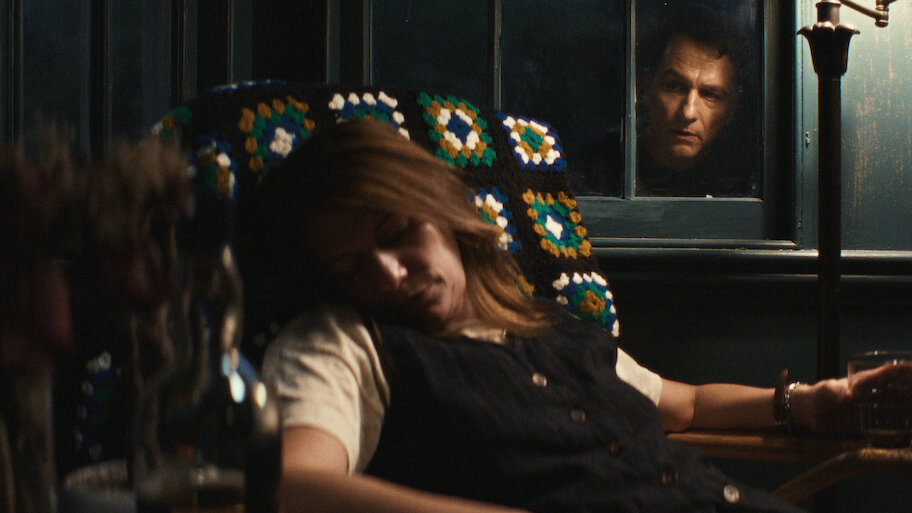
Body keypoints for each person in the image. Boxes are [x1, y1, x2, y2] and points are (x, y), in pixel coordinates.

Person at [250, 119, 853, 513]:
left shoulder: (549, 325)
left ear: (443, 210)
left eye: (397, 232)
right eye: (352, 266)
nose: (387, 274)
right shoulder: (345, 341)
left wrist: (808, 403)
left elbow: (686, 404)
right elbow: (291, 485)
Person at [636, 7, 755, 197]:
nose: (688, 112)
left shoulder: (744, 184)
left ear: (733, 107)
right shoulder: (597, 172)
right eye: (674, 86)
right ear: (648, 86)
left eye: (710, 94)